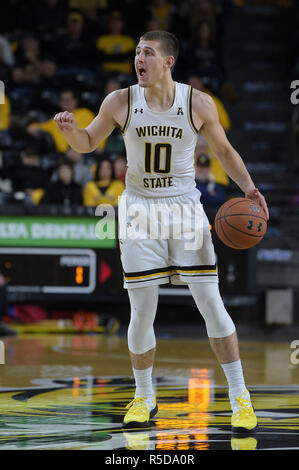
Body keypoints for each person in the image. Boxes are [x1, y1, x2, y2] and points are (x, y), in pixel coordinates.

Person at [53, 30, 269, 434]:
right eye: (136, 52)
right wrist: (70, 131)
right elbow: (87, 142)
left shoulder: (197, 102)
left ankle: (240, 398)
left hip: (185, 207)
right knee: (141, 310)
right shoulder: (120, 101)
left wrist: (249, 189)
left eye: (147, 53)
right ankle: (144, 396)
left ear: (168, 61)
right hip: (138, 209)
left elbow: (224, 152)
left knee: (210, 302)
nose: (139, 58)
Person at [27, 88, 106, 154]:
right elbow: (34, 128)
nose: (66, 103)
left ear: (75, 101)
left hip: (85, 154)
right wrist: (33, 128)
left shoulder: (85, 113)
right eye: (64, 100)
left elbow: (99, 129)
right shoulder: (57, 119)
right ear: (60, 103)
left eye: (69, 100)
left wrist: (100, 147)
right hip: (63, 157)